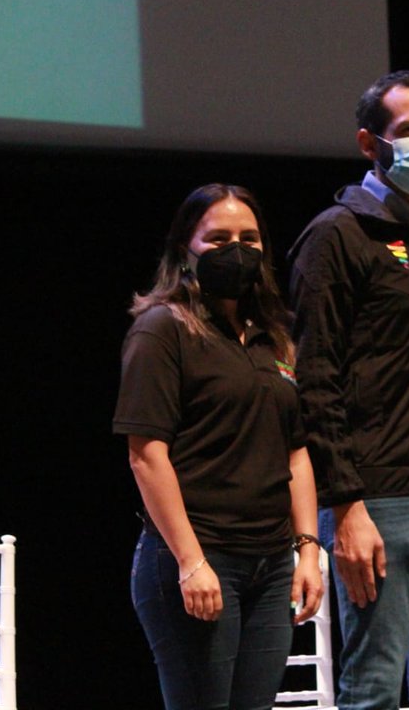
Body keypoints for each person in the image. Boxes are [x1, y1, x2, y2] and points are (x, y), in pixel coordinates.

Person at [288, 70, 409, 710]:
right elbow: (315, 383)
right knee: (372, 686)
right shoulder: (336, 236)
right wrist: (345, 507)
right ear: (370, 144)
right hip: (379, 497)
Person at [114, 184, 322, 710]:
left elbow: (295, 452)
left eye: (249, 238)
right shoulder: (162, 329)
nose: (237, 249)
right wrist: (191, 562)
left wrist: (308, 549)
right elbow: (146, 454)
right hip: (201, 557)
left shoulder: (274, 334)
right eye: (219, 238)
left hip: (271, 565)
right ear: (185, 248)